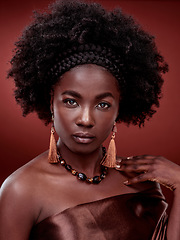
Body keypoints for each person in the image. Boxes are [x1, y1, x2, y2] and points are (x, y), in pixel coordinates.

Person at [0, 0, 180, 239]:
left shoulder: (142, 181)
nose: (86, 119)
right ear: (50, 101)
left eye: (103, 104)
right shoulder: (20, 190)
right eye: (71, 101)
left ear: (118, 109)